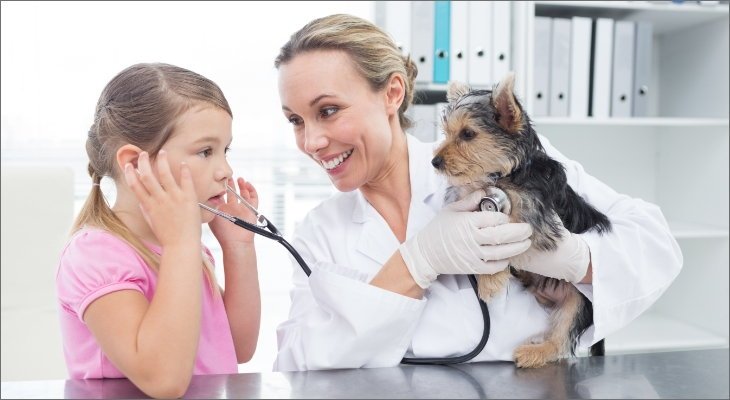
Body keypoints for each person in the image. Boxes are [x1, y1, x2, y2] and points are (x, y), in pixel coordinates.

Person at [271, 14, 683, 371]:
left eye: (328, 111)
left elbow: (657, 246)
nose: (311, 142)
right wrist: (416, 262)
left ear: (393, 93)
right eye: (295, 120)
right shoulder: (318, 231)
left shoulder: (507, 160)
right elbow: (298, 362)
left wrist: (577, 260)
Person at [55, 63, 261, 398]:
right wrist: (182, 244)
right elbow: (163, 380)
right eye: (205, 151)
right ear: (136, 163)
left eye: (226, 150)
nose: (225, 170)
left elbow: (237, 347)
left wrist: (238, 248)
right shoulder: (95, 254)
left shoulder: (184, 251)